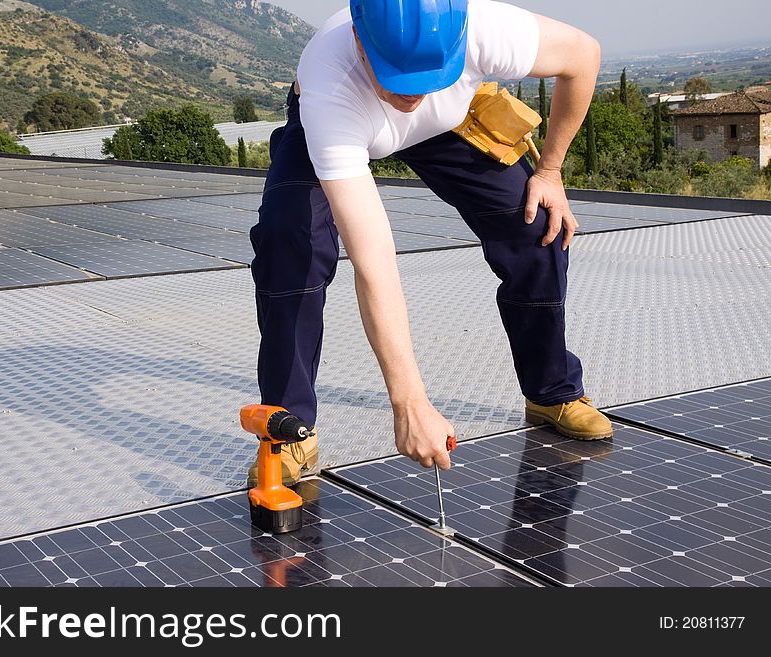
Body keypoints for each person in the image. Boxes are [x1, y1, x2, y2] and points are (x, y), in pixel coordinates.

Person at [247, 0, 612, 487]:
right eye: (400, 79)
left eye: (430, 77)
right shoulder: (332, 87)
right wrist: (410, 402)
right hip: (355, 124)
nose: (414, 96)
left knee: (535, 224)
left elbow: (583, 56)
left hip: (449, 125)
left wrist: (549, 171)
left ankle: (550, 391)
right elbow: (373, 259)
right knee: (288, 242)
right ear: (360, 43)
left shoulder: (485, 28)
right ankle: (289, 432)